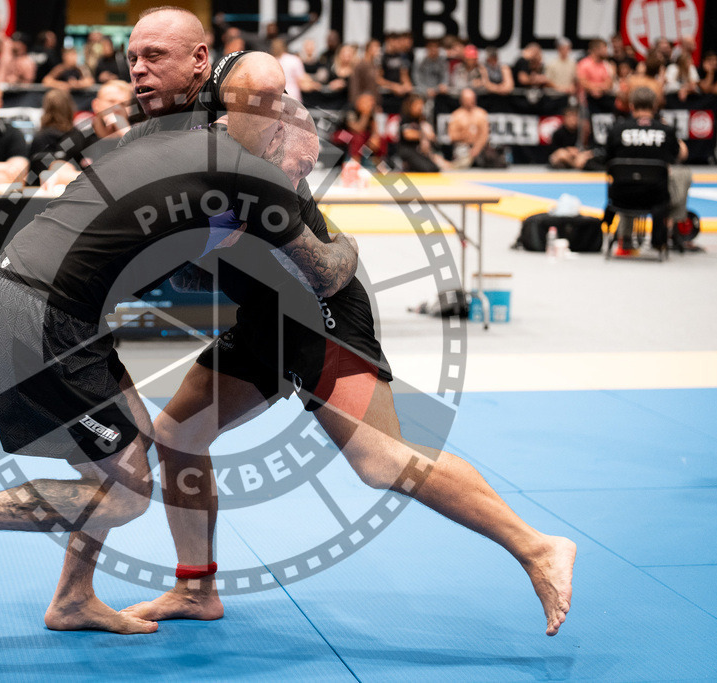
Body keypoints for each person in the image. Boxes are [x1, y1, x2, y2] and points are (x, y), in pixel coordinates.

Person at [119, 8, 575, 638]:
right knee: (179, 438)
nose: (139, 68)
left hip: (316, 308)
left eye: (155, 55)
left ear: (199, 59)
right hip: (258, 314)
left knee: (382, 462)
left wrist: (261, 141)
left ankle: (536, 545)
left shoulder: (237, 77)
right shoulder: (160, 133)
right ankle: (195, 589)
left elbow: (259, 73)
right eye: (133, 57)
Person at [0, 93, 360, 636]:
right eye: (301, 167)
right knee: (124, 496)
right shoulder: (246, 172)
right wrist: (346, 246)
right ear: (274, 140)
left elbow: (176, 269)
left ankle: (72, 599)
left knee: (130, 452)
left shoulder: (187, 153)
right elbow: (325, 274)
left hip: (58, 308)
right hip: (42, 312)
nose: (299, 185)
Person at [605, 86, 687, 256]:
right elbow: (681, 155)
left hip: (622, 197)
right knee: (683, 174)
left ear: (631, 106)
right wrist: (665, 130)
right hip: (656, 198)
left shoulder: (617, 130)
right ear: (655, 106)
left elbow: (608, 161)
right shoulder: (665, 131)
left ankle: (625, 237)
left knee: (630, 177)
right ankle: (670, 228)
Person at [448, 88, 504, 168]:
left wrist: (476, 148)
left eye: (472, 99)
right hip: (463, 146)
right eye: (467, 99)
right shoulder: (456, 115)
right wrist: (465, 135)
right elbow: (452, 136)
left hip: (480, 147)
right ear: (462, 100)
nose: (470, 102)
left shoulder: (481, 114)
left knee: (492, 157)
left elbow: (485, 134)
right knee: (461, 156)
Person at [397, 93, 447, 172]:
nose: (420, 107)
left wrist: (430, 135)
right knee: (427, 169)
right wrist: (424, 134)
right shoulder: (406, 118)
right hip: (408, 150)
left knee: (434, 169)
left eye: (421, 104)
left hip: (419, 151)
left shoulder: (422, 119)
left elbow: (431, 135)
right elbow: (408, 134)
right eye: (417, 105)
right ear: (411, 105)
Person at [547, 106, 593, 170]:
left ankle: (576, 165)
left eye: (575, 117)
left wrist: (580, 152)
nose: (573, 120)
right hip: (565, 157)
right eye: (570, 117)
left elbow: (590, 148)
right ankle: (575, 165)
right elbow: (553, 150)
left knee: (586, 156)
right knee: (561, 154)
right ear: (565, 119)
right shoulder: (558, 133)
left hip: (579, 156)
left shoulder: (583, 132)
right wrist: (568, 150)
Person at [576, 38, 614, 103]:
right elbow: (583, 83)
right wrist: (596, 89)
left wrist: (599, 89)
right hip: (587, 99)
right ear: (596, 50)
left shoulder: (607, 65)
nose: (606, 51)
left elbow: (609, 84)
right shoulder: (583, 64)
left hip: (604, 98)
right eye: (604, 49)